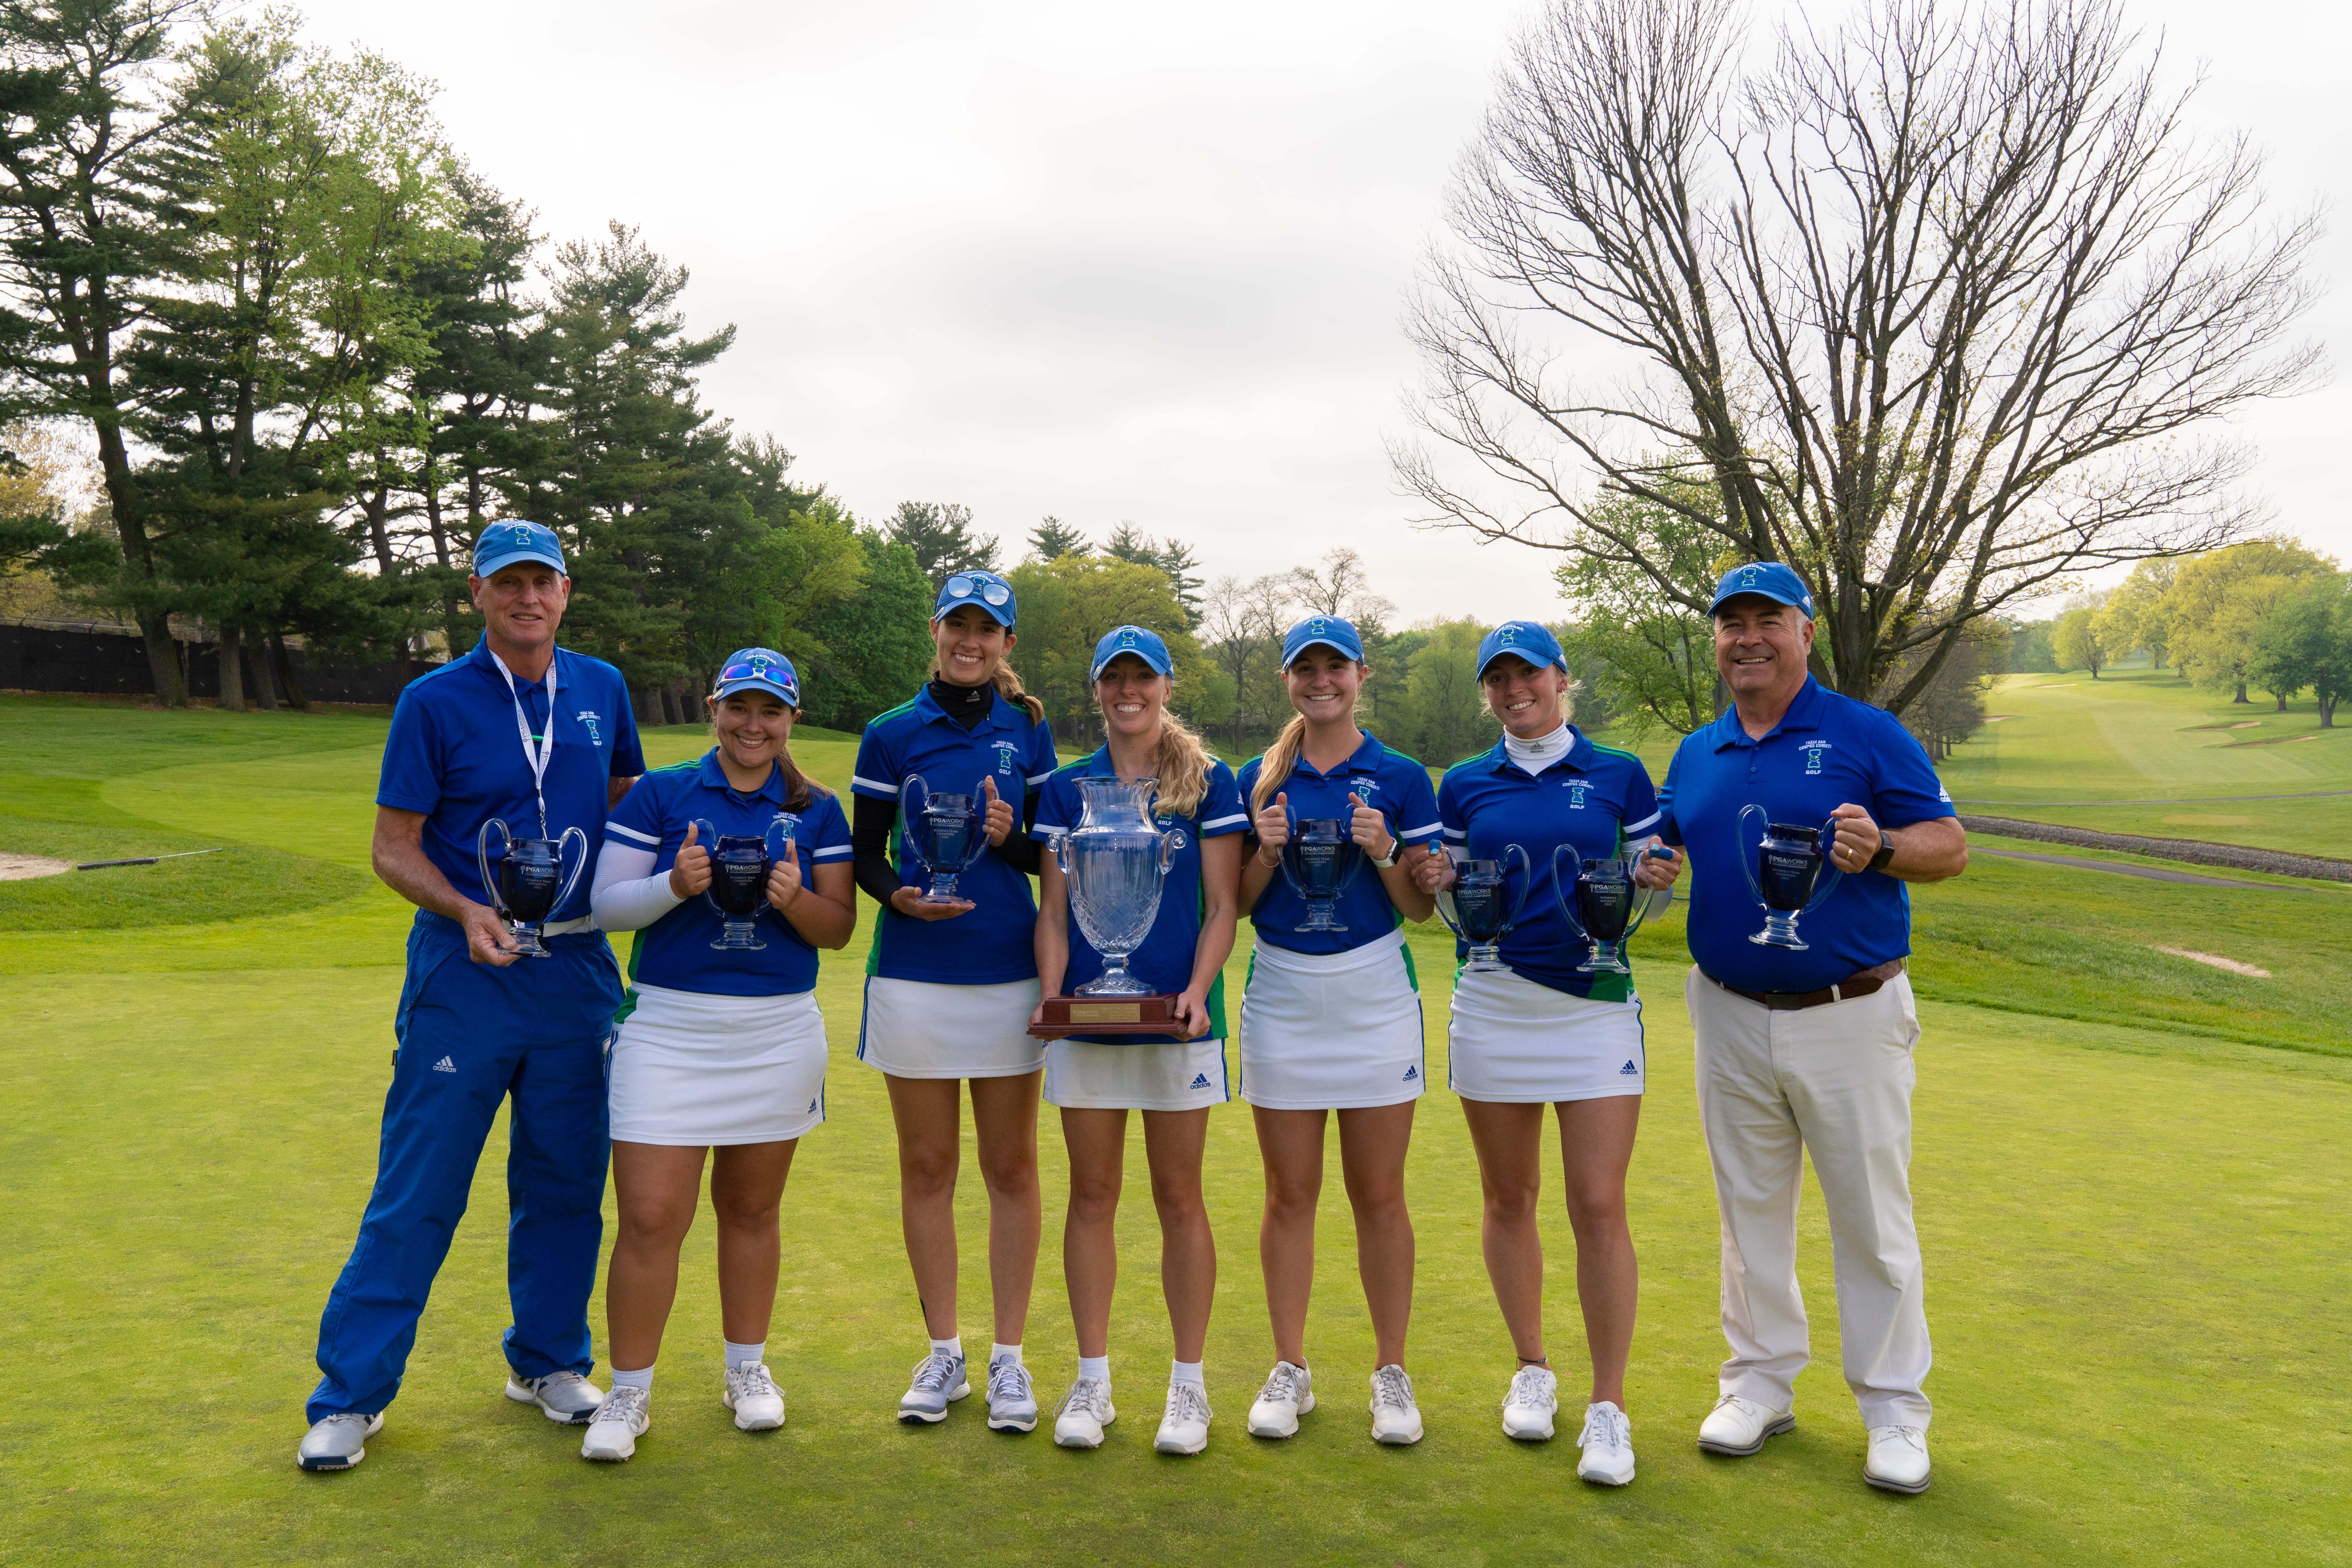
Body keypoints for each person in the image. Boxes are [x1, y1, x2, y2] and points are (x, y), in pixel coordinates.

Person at [297, 521, 644, 1472]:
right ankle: (352, 1394)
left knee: (566, 1181)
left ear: (566, 591)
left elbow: (630, 810)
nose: (527, 597)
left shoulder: (601, 689)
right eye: (508, 583)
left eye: (543, 581)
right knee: (420, 1185)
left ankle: (547, 1361)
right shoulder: (433, 699)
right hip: (466, 970)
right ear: (478, 593)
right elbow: (393, 844)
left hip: (574, 973)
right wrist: (462, 906)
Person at [1655, 562, 1967, 1495]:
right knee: (1749, 1214)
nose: (1747, 637)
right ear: (1715, 638)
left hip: (1850, 1009)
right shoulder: (1698, 750)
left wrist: (1886, 846)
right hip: (1727, 1008)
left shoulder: (1866, 732)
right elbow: (1670, 839)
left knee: (1871, 1219)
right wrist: (1651, 865)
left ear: (1805, 630)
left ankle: (1894, 1410)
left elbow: (1949, 845)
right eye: (1731, 623)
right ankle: (1758, 1385)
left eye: (1768, 621)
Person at [1413, 620, 1677, 1486]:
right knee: (1508, 1195)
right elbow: (1456, 910)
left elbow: (1651, 897)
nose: (1515, 690)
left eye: (1530, 675)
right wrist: (1441, 888)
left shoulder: (1618, 773)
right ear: (1487, 690)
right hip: (1493, 1004)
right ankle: (1532, 1365)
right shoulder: (1463, 784)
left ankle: (1609, 1406)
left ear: (1564, 680)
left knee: (1598, 1202)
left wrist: (1653, 885)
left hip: (1595, 1004)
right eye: (1499, 679)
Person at [575, 650, 856, 1462]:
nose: (753, 724)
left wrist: (793, 897)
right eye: (740, 706)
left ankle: (747, 1370)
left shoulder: (817, 808)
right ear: (713, 706)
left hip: (776, 1033)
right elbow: (604, 906)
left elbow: (837, 930)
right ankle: (629, 1391)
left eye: (771, 710)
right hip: (669, 1030)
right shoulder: (664, 792)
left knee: (752, 1209)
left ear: (792, 719)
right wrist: (675, 883)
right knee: (653, 1216)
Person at [850, 569, 1059, 1432]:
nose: (970, 641)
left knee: (1011, 1167)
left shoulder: (1030, 730)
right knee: (928, 1167)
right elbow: (867, 855)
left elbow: (1051, 857)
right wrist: (899, 894)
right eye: (957, 625)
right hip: (914, 975)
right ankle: (946, 1351)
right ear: (934, 630)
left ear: (1008, 642)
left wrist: (1012, 843)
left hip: (1009, 970)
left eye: (989, 629)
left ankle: (1010, 1358)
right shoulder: (890, 732)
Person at [1028, 626, 1245, 1455]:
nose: (1130, 691)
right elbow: (1054, 912)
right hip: (1087, 1021)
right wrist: (1053, 996)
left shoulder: (1208, 780)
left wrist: (1196, 991)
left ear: (1165, 685)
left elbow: (1224, 907)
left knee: (1179, 1198)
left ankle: (1187, 1387)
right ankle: (1093, 1379)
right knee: (1091, 1195)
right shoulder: (1066, 788)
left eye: (1143, 678)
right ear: (1096, 690)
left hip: (1179, 1023)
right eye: (1114, 678)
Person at [1232, 615, 1443, 1446]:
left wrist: (1388, 847)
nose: (1320, 681)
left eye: (1334, 668)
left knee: (1380, 1195)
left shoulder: (1399, 775)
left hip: (1373, 993)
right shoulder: (1260, 775)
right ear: (1289, 679)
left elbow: (1422, 906)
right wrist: (1265, 849)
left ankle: (1391, 1371)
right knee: (1289, 1193)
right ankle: (1290, 1367)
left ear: (1360, 674)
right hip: (1283, 989)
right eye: (1304, 669)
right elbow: (1242, 904)